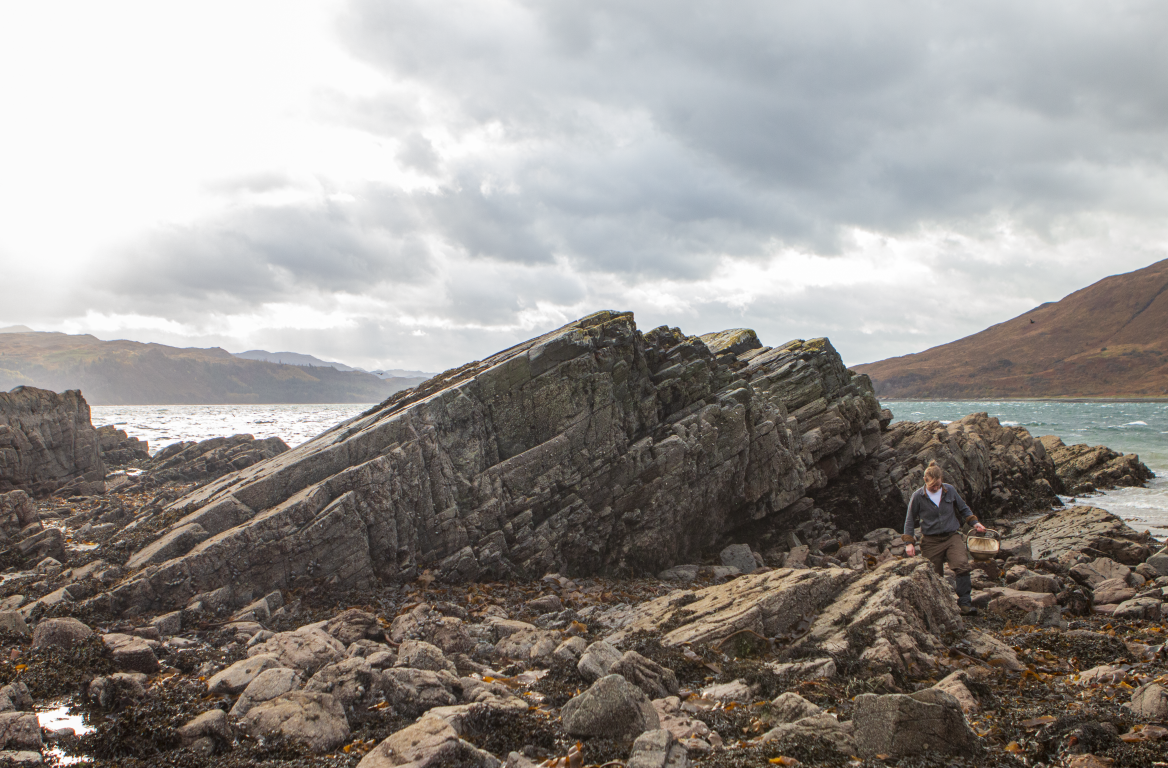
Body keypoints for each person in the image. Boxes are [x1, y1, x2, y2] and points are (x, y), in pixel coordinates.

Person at [903, 460, 986, 615]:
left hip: (952, 537)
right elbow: (909, 520)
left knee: (962, 565)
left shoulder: (950, 490)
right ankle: (939, 608)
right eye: (933, 486)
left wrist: (975, 523)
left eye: (939, 485)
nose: (937, 488)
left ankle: (965, 604)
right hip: (930, 541)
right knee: (934, 575)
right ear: (925, 482)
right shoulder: (917, 497)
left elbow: (963, 509)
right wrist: (909, 543)